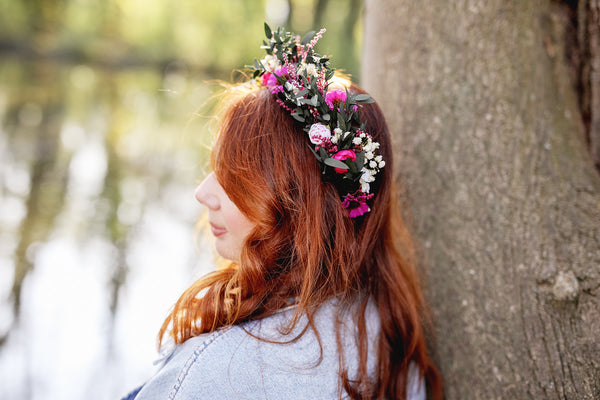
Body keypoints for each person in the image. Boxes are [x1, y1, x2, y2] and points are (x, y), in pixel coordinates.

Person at [127, 24, 443, 400]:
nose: (203, 193)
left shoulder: (213, 374)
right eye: (215, 169)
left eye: (235, 179)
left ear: (299, 206)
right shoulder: (390, 338)